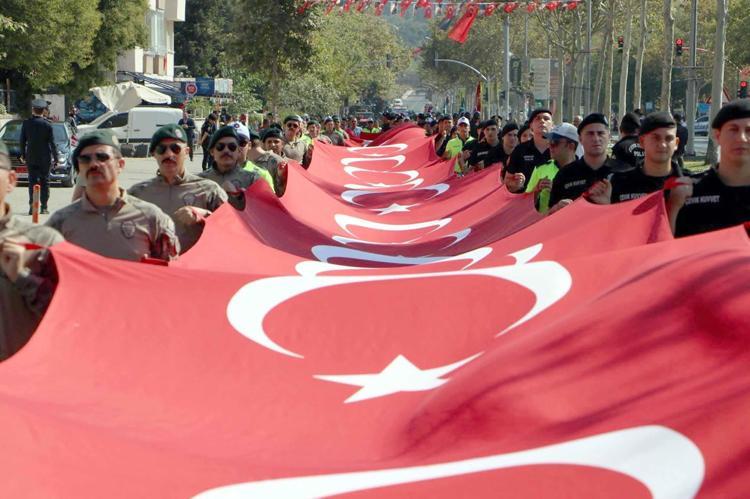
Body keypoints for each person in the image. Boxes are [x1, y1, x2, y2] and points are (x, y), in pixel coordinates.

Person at [46, 130, 179, 262]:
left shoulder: (151, 218)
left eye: (102, 157)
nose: (93, 164)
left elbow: (170, 270)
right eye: (85, 159)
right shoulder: (61, 222)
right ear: (79, 168)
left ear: (120, 164)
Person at [0, 139, 63, 361]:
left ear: (11, 180)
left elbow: (67, 315)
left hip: (18, 375)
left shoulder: (43, 242)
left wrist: (22, 277)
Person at [128, 124, 227, 253]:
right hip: (153, 264)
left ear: (186, 152)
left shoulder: (209, 190)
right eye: (161, 149)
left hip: (194, 263)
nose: (169, 154)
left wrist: (203, 215)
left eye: (175, 149)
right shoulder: (138, 193)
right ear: (153, 154)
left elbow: (232, 229)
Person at [668, 100, 750, 237]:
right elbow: (664, 245)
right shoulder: (689, 192)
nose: (741, 138)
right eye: (733, 129)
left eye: (749, 130)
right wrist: (673, 207)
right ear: (717, 135)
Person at [588, 112, 682, 205]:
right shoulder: (619, 183)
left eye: (669, 138)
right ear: (642, 141)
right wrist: (606, 206)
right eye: (656, 138)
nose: (662, 144)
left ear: (676, 143)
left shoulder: (687, 185)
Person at [548, 113, 621, 211]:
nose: (596, 138)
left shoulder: (624, 172)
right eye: (590, 134)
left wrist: (607, 205)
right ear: (580, 139)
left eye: (600, 133)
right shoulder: (565, 174)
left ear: (609, 136)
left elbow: (631, 216)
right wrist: (556, 208)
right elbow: (550, 213)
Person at [200, 126, 267, 209]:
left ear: (238, 151)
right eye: (220, 147)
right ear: (212, 151)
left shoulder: (252, 179)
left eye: (232, 147)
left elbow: (263, 211)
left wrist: (239, 197)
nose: (226, 150)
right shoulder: (200, 180)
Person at [525, 123, 579, 214]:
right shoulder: (540, 169)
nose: (550, 146)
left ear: (571, 146)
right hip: (544, 221)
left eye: (554, 143)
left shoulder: (586, 172)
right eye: (549, 142)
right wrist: (536, 190)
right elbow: (524, 205)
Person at [19, 99, 57, 215]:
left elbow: (22, 141)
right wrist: (56, 158)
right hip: (45, 158)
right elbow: (52, 143)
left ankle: (33, 206)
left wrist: (23, 154)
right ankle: (44, 207)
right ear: (44, 110)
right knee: (45, 182)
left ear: (33, 110)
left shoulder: (26, 123)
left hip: (31, 157)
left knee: (33, 181)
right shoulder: (47, 124)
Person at [504, 109, 553, 192]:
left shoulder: (559, 148)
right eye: (538, 118)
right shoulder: (520, 150)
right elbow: (507, 181)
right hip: (525, 198)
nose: (542, 121)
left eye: (546, 118)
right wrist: (516, 184)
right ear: (531, 126)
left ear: (552, 125)